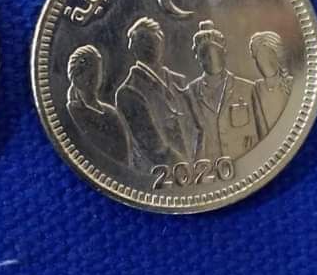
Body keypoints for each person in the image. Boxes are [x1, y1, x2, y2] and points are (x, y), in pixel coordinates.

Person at [115, 17, 194, 165]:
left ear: (161, 44)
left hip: (195, 162)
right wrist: (187, 166)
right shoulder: (128, 92)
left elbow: (196, 125)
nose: (151, 47)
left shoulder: (178, 81)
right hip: (158, 170)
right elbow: (155, 148)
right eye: (144, 42)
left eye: (154, 41)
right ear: (133, 47)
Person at [184, 20, 265, 161]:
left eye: (216, 52)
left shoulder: (248, 89)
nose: (212, 58)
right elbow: (186, 136)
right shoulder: (190, 92)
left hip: (246, 161)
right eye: (205, 54)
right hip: (206, 167)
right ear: (198, 57)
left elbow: (263, 132)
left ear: (224, 53)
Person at [66, 45, 138, 166]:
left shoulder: (112, 113)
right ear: (75, 76)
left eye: (96, 73)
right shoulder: (71, 113)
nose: (93, 78)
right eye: (89, 73)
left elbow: (126, 154)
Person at [249, 31, 293, 136]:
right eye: (259, 57)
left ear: (278, 56)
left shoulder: (291, 84)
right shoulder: (256, 88)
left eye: (268, 55)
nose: (263, 62)